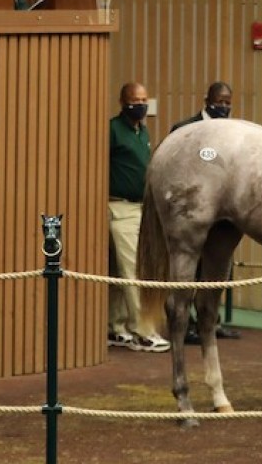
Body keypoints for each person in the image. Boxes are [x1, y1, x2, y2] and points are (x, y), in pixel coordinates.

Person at [170, 81, 241, 343]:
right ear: (206, 100)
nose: (223, 107)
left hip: (224, 213)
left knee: (219, 266)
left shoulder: (234, 133)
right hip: (192, 210)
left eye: (227, 102)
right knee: (190, 265)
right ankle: (185, 322)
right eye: (219, 101)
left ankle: (211, 321)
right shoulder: (183, 130)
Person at [107, 81, 170, 353]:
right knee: (133, 270)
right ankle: (144, 331)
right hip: (119, 208)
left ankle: (117, 327)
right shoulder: (112, 129)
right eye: (135, 99)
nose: (141, 104)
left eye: (144, 99)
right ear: (123, 102)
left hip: (140, 209)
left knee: (119, 271)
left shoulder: (142, 130)